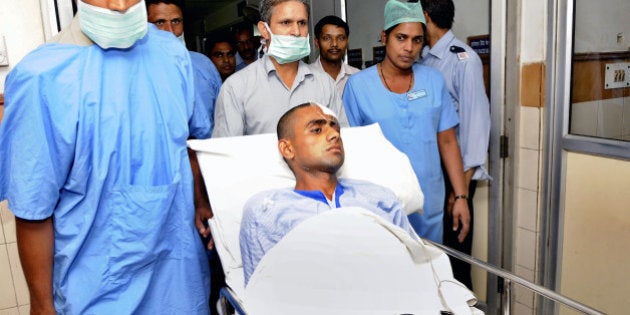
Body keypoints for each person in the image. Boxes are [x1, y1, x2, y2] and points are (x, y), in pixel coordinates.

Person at [0, 0, 211, 313]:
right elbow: (33, 208)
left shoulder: (172, 54)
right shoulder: (41, 76)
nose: (119, 5)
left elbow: (187, 142)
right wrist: (42, 304)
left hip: (178, 277)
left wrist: (199, 201)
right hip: (97, 290)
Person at [239, 103, 417, 285]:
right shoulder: (266, 211)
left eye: (335, 128)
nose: (335, 135)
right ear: (287, 149)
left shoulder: (378, 197)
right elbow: (262, 295)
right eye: (316, 130)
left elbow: (415, 264)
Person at [343, 0, 470, 244]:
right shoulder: (359, 87)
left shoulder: (433, 80)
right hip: (381, 204)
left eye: (417, 40)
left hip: (430, 202)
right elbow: (352, 155)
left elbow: (447, 141)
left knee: (430, 271)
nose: (409, 47)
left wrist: (461, 196)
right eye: (401, 38)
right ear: (384, 37)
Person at [420, 0, 491, 289]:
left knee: (456, 259)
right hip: (430, 171)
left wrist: (460, 192)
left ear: (425, 16)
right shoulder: (423, 59)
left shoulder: (464, 60)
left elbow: (476, 127)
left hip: (455, 174)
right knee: (431, 255)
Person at [212, 0, 347, 137]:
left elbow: (342, 139)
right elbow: (227, 150)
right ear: (264, 30)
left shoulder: (325, 83)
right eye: (286, 22)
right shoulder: (236, 87)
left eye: (302, 23)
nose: (296, 31)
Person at [147, 0, 222, 135]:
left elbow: (223, 115)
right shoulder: (138, 70)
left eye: (176, 21)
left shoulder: (203, 64)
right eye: (160, 22)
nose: (170, 31)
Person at [311, 15, 360, 96]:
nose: (334, 44)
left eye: (340, 38)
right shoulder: (306, 77)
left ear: (347, 42)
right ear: (316, 43)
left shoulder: (356, 76)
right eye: (327, 38)